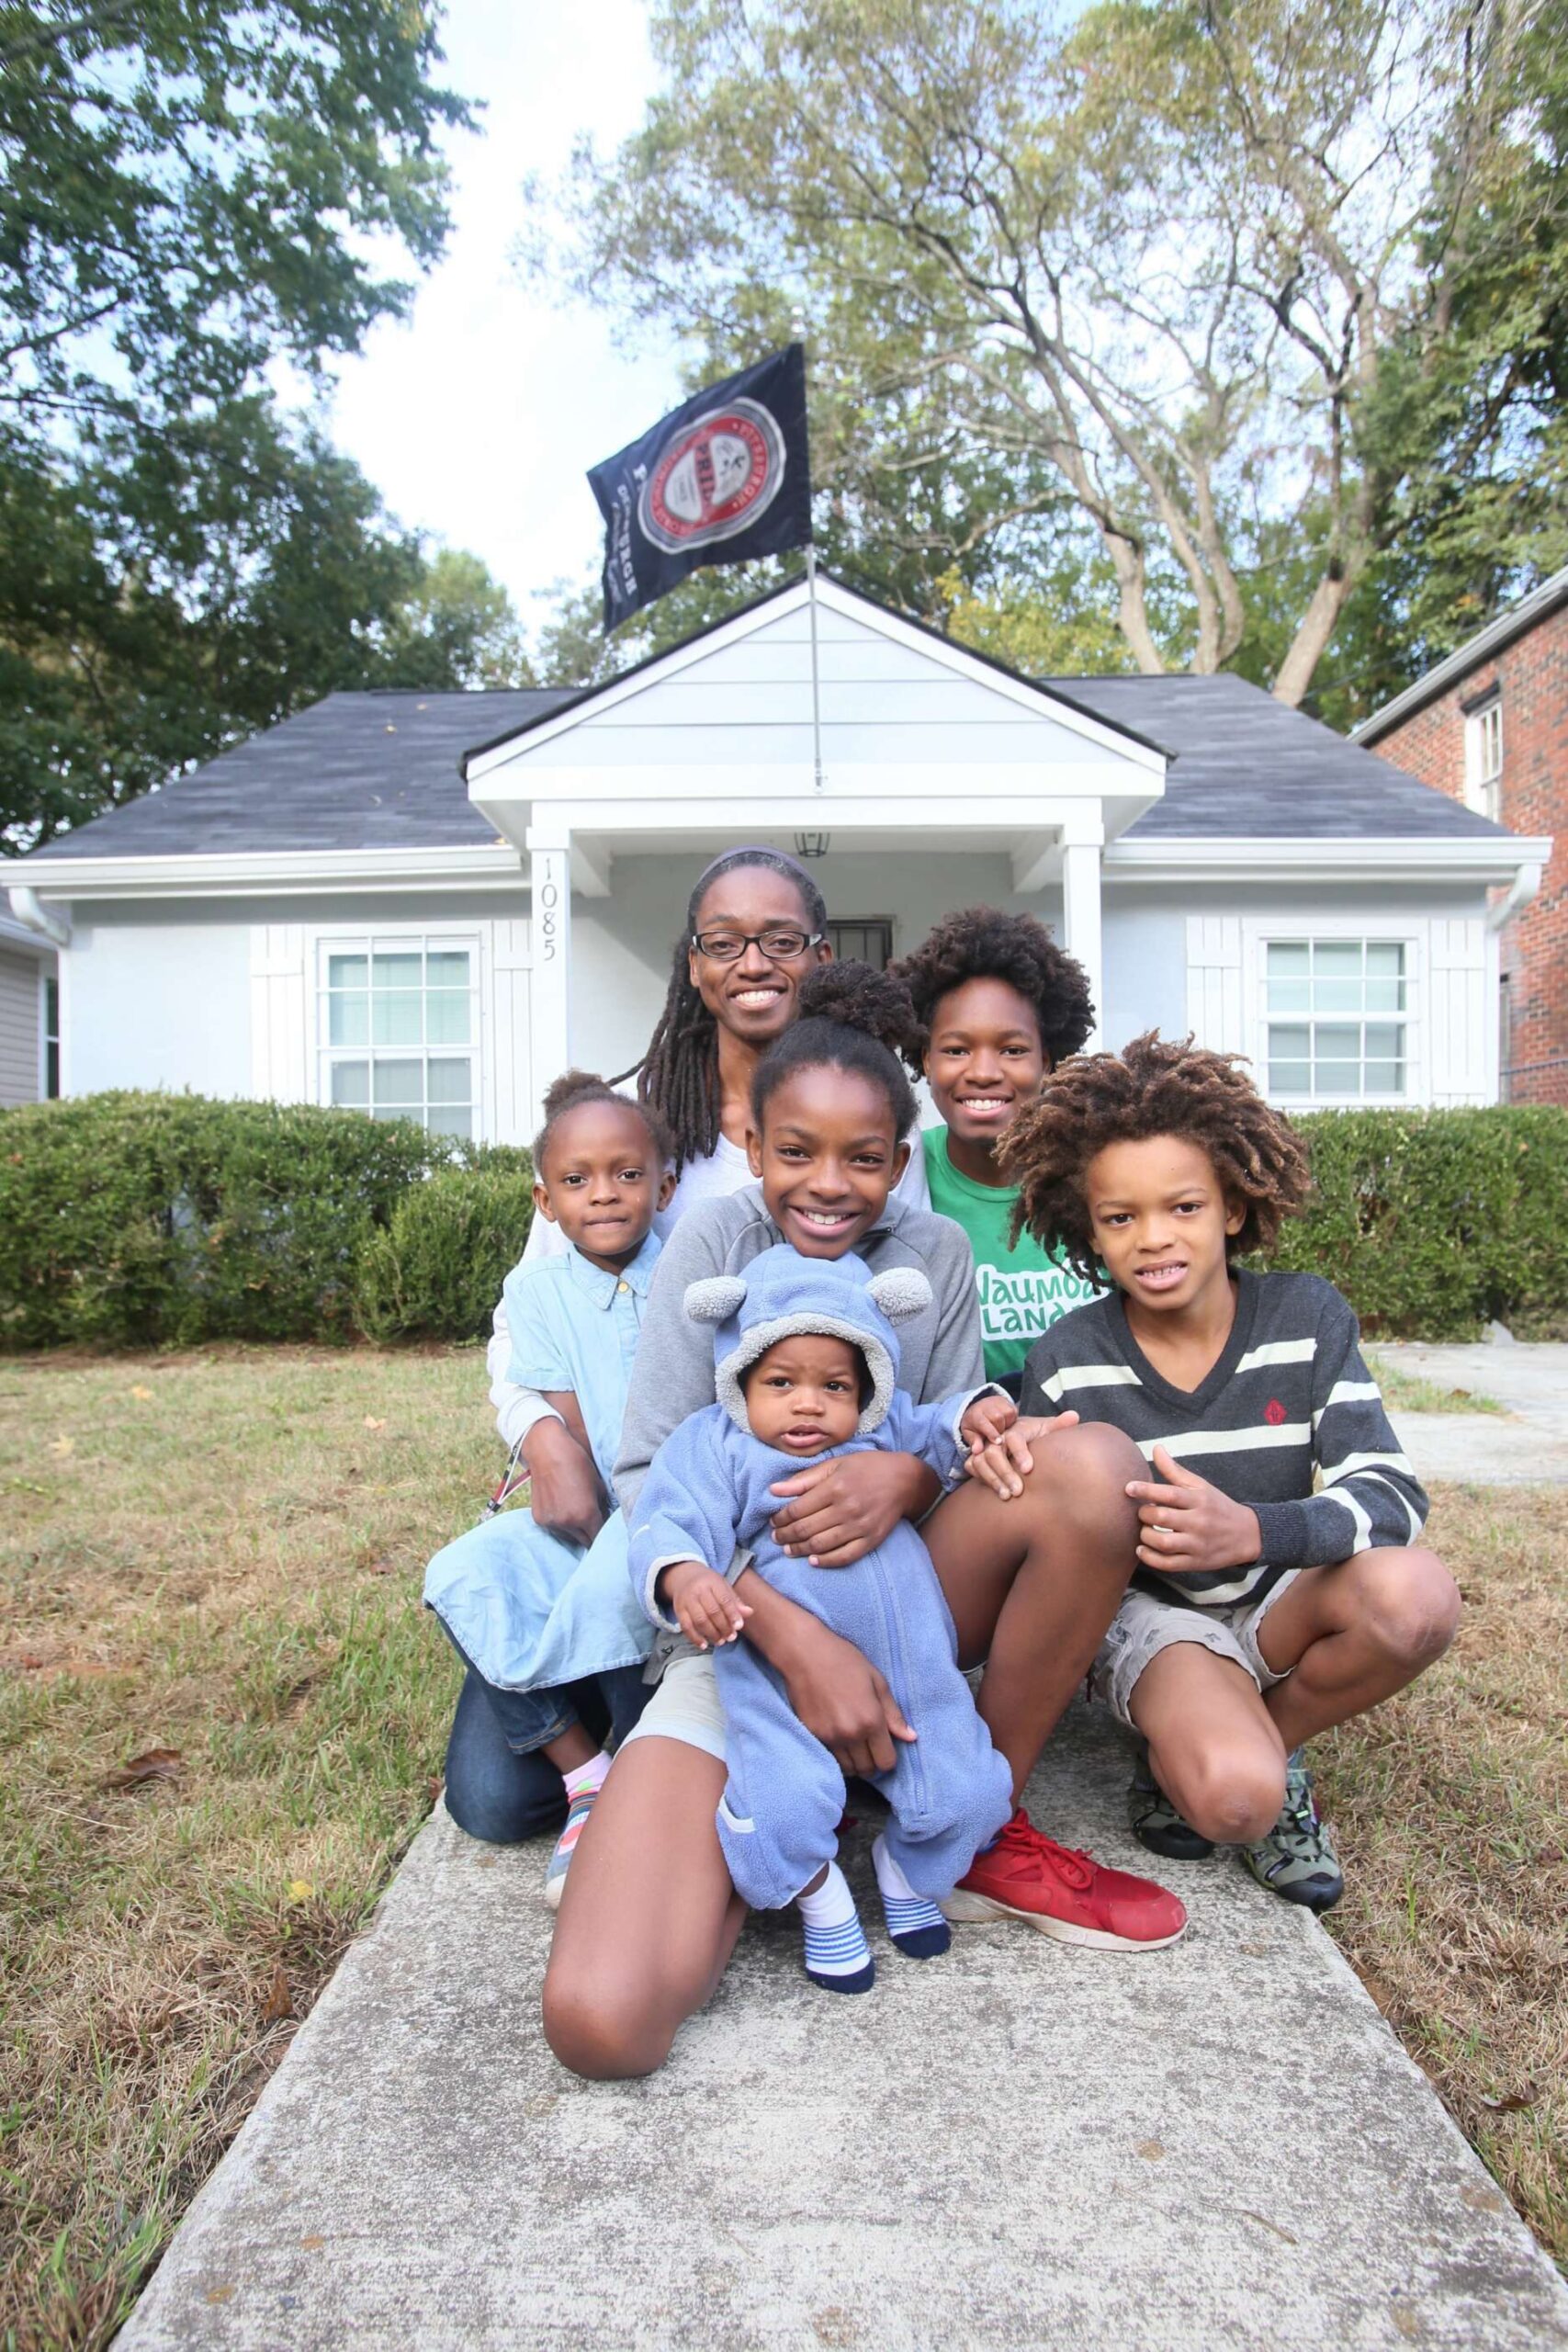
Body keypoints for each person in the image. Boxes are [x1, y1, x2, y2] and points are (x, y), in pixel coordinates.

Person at [543, 966, 1187, 2083]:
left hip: (900, 1595)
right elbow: (652, 1471)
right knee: (602, 2020)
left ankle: (971, 1821)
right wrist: (792, 1641)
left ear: (901, 1158)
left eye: (863, 1157)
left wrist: (902, 1479)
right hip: (735, 1633)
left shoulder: (929, 1255)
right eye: (797, 1151)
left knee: (1089, 1466)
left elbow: (951, 1438)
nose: (829, 1184)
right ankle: (782, 1838)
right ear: (753, 1148)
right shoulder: (712, 1249)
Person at [985, 1031, 1461, 1913]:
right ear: (1086, 1229)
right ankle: (1207, 1753)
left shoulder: (1305, 1316)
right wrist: (989, 1436)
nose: (1153, 1239)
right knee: (1232, 1801)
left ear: (1233, 1208)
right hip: (1158, 1623)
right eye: (1119, 1217)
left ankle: (1270, 1741)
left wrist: (1254, 1529)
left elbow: (1391, 1493)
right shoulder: (1072, 1353)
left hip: (1280, 1602)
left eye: (1184, 1207)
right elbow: (1041, 1524)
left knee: (1416, 1598)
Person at [629, 1247, 1019, 1993]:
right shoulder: (715, 1445)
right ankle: (818, 1896)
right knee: (779, 1800)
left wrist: (977, 1411)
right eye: (781, 1382)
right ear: (740, 1380)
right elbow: (666, 1517)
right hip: (772, 1675)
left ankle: (904, 1872)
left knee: (970, 1792)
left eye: (833, 1385)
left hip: (911, 1671)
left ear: (867, 1386)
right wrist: (685, 1574)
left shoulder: (881, 1429)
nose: (807, 1404)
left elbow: (942, 1427)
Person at [423, 1073, 672, 1881]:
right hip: (593, 1510)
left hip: (674, 1515)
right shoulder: (535, 1293)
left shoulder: (698, 1277)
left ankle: (643, 1792)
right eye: (576, 1181)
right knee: (466, 1569)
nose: (603, 1195)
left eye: (627, 1175)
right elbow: (567, 1433)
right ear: (544, 1200)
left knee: (617, 1593)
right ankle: (581, 1773)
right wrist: (589, 1526)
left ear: (665, 1184)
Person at [890, 907, 1103, 1394]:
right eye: (957, 1050)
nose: (984, 1071)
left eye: (1012, 1050)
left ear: (1047, 1060)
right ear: (925, 1058)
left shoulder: (1095, 1179)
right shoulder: (896, 1180)